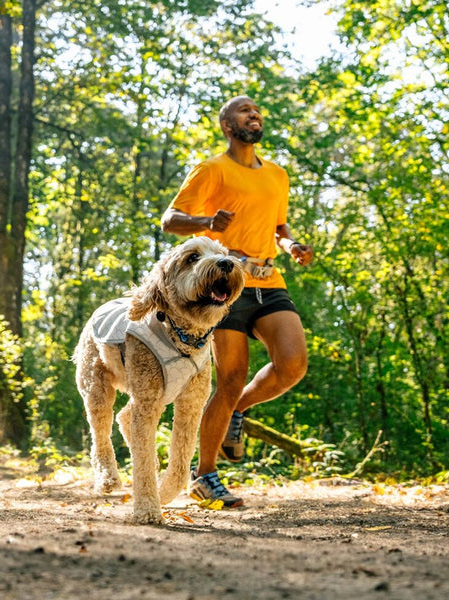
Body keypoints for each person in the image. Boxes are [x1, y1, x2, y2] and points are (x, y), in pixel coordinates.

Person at [161, 95, 313, 507]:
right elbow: (170, 219)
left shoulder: (277, 175)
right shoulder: (212, 169)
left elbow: (278, 226)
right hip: (225, 286)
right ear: (229, 126)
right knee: (228, 379)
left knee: (293, 364)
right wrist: (206, 223)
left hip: (270, 278)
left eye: (258, 112)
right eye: (245, 112)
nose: (255, 115)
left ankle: (238, 410)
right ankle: (204, 475)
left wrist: (292, 243)